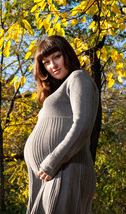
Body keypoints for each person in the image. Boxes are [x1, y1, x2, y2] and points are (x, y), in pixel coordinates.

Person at [24, 35, 99, 214]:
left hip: (65, 169)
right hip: (51, 175)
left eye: (56, 57)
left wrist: (53, 160)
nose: (53, 66)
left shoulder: (78, 77)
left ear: (67, 55)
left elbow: (83, 124)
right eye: (46, 62)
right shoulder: (57, 91)